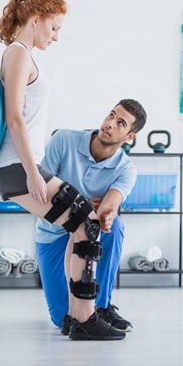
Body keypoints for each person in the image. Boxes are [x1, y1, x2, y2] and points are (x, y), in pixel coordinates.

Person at [0, 0, 144, 341]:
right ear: (37, 19)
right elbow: (14, 117)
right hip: (15, 165)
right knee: (86, 225)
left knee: (85, 226)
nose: (56, 36)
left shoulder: (24, 56)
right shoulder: (18, 54)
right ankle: (85, 319)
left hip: (19, 164)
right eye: (55, 28)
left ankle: (79, 318)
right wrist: (32, 170)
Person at [35, 99, 147, 336]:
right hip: (52, 235)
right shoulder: (64, 140)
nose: (109, 124)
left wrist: (103, 211)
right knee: (63, 319)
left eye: (120, 123)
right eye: (111, 115)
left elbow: (109, 206)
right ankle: (87, 309)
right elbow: (39, 194)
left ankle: (102, 307)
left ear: (129, 138)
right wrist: (84, 203)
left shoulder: (126, 169)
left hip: (88, 233)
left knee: (113, 225)